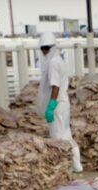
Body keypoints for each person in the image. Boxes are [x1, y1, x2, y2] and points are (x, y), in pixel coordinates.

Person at [36, 32, 82, 173]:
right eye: (42, 48)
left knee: (58, 137)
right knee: (66, 135)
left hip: (57, 105)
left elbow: (55, 86)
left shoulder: (53, 63)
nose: (44, 51)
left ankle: (64, 168)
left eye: (47, 48)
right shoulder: (58, 60)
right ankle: (76, 165)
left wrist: (51, 106)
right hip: (62, 104)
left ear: (53, 48)